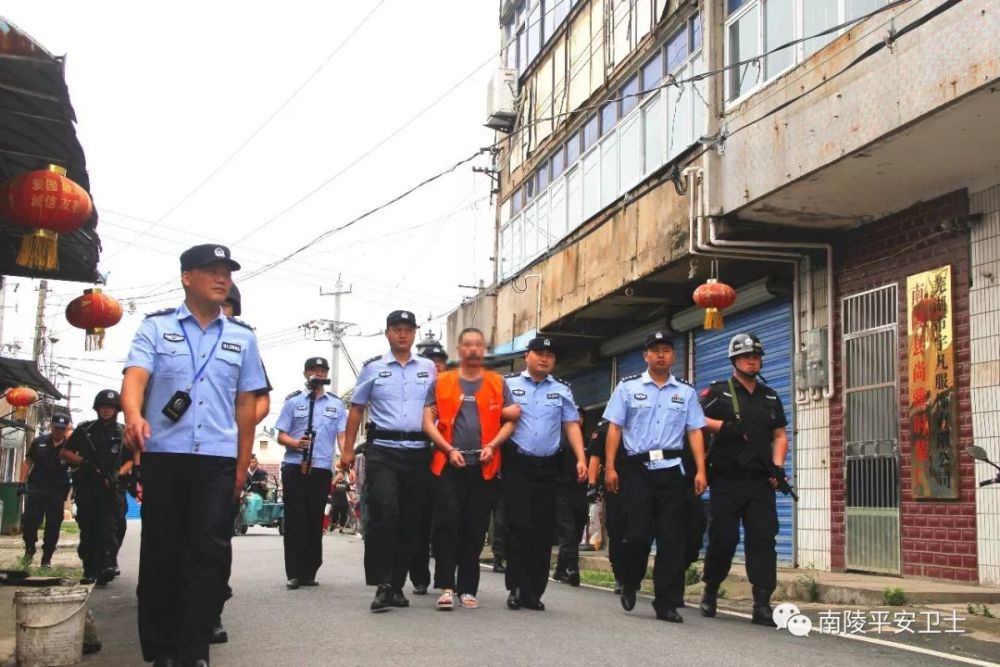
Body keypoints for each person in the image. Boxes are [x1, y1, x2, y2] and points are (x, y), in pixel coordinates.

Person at [122, 243, 267, 667]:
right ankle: (162, 649)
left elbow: (246, 406)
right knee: (162, 552)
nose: (222, 278)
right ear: (187, 277)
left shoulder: (243, 338)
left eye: (227, 272)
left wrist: (242, 466)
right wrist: (133, 416)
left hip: (217, 461)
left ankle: (194, 650)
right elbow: (135, 377)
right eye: (211, 271)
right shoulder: (155, 328)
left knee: (208, 554)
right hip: (165, 454)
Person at [603, 331, 706, 623]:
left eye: (666, 350)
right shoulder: (627, 388)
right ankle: (630, 580)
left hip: (672, 472)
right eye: (654, 350)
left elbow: (694, 431)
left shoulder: (685, 392)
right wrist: (610, 467)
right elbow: (614, 429)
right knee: (637, 534)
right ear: (645, 356)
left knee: (672, 538)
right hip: (637, 471)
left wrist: (700, 469)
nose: (661, 354)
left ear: (673, 356)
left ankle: (667, 603)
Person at [339, 310, 436, 613]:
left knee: (411, 520)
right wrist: (347, 450)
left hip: (419, 451)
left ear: (415, 333)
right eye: (397, 329)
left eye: (408, 329)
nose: (403, 334)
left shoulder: (430, 368)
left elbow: (438, 408)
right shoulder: (373, 369)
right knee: (385, 512)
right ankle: (382, 584)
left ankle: (397, 584)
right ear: (387, 333)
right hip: (382, 449)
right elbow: (356, 408)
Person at [423, 327, 519, 611]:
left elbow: (512, 419)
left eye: (479, 345)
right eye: (468, 345)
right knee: (446, 525)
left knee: (474, 528)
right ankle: (446, 587)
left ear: (484, 349)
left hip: (484, 467)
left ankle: (467, 588)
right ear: (460, 349)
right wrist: (447, 449)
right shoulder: (441, 382)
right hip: (448, 464)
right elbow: (428, 421)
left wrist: (494, 445)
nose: (474, 350)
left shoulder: (497, 382)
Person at [699, 333, 788, 627]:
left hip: (760, 482)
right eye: (746, 356)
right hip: (727, 480)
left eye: (756, 356)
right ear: (734, 360)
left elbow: (779, 436)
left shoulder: (770, 396)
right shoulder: (718, 392)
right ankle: (711, 588)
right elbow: (695, 421)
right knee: (724, 538)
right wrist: (726, 428)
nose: (752, 360)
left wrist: (777, 468)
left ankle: (762, 603)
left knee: (763, 540)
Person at [502, 336, 584, 611]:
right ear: (527, 356)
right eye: (539, 353)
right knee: (519, 524)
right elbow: (493, 415)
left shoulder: (562, 389)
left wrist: (581, 458)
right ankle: (514, 586)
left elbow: (571, 425)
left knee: (543, 529)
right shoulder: (509, 384)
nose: (545, 358)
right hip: (517, 464)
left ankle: (534, 591)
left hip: (549, 465)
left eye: (550, 355)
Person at [213, 281, 272, 645]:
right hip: (177, 450)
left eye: (227, 306)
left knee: (215, 535)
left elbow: (260, 399)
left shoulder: (241, 341)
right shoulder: (175, 333)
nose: (221, 312)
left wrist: (240, 425)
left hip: (223, 450)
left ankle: (211, 608)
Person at [275, 356, 346, 589]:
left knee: (315, 519)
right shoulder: (293, 402)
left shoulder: (336, 405)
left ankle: (310, 570)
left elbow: (342, 437)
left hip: (321, 468)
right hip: (295, 466)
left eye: (323, 371)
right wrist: (295, 443)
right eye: (314, 370)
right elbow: (281, 434)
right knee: (295, 518)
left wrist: (347, 461)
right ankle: (294, 572)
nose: (319, 374)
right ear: (306, 374)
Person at [62, 390, 131, 586]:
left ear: (117, 409)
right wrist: (84, 463)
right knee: (89, 529)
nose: (107, 410)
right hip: (88, 488)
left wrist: (118, 475)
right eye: (103, 407)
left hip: (112, 489)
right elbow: (65, 453)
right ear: (97, 408)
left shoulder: (123, 432)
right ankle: (89, 568)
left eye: (110, 407)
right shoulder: (85, 430)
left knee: (110, 528)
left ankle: (106, 565)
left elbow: (133, 459)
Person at [407, 342, 449, 595]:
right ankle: (420, 576)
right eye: (431, 360)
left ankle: (447, 579)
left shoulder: (455, 389)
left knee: (446, 522)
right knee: (419, 520)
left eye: (440, 360)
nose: (436, 365)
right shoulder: (415, 390)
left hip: (448, 462)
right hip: (420, 458)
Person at [19, 413, 72, 568]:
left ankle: (46, 559)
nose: (58, 431)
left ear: (66, 429)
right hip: (37, 489)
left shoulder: (71, 447)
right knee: (30, 521)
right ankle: (29, 550)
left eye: (62, 429)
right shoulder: (39, 442)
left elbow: (76, 467)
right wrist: (21, 482)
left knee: (53, 526)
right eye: (56, 428)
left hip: (57, 492)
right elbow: (28, 462)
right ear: (51, 427)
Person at [584, 419, 624, 593]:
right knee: (616, 529)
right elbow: (595, 457)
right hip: (613, 486)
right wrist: (592, 485)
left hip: (641, 482)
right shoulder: (606, 427)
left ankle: (634, 571)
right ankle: (620, 575)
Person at [553, 406, 588, 587]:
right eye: (576, 416)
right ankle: (572, 568)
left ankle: (560, 569)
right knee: (567, 529)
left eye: (581, 416)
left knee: (577, 529)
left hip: (581, 491)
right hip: (562, 490)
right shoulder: (559, 440)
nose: (578, 419)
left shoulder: (587, 440)